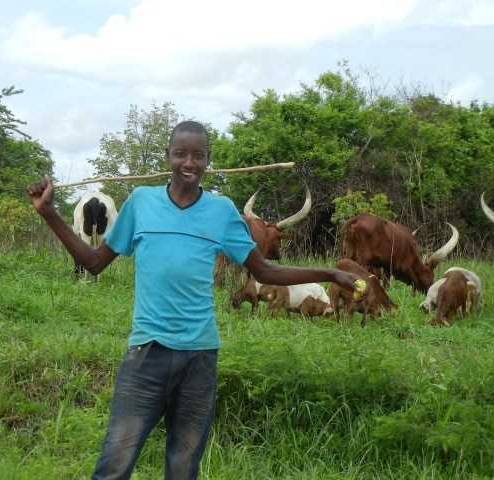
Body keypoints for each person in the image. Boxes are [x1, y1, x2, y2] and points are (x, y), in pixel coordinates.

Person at [27, 120, 363, 479]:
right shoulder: (141, 202)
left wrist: (328, 273)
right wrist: (48, 212)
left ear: (208, 161)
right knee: (114, 464)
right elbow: (94, 263)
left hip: (199, 360)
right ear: (168, 156)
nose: (189, 162)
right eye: (181, 153)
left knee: (184, 468)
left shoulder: (221, 211)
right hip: (146, 356)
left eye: (198, 155)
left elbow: (263, 271)